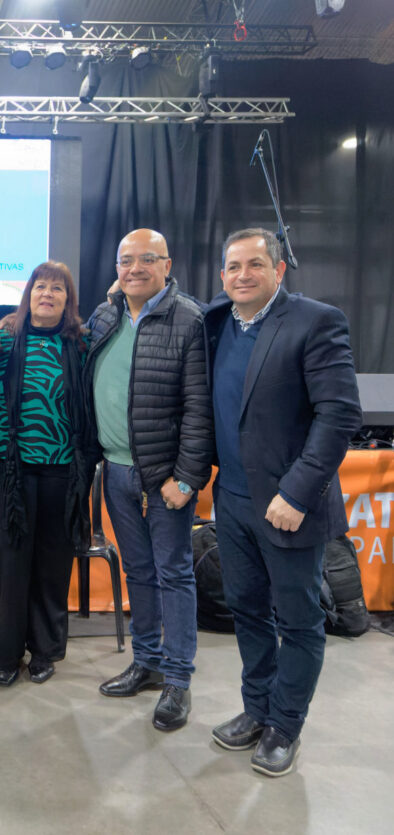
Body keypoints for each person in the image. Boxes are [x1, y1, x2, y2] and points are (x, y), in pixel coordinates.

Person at [205, 228, 361, 777]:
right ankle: (256, 709)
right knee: (246, 609)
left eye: (254, 264)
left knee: (296, 621)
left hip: (288, 507)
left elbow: (339, 416)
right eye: (232, 266)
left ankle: (285, 726)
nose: (242, 275)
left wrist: (296, 492)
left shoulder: (315, 321)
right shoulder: (217, 322)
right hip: (232, 501)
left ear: (278, 269)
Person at [84, 228, 212, 732]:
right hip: (114, 470)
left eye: (145, 260)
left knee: (174, 573)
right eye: (124, 261)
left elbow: (200, 409)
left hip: (165, 479)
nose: (134, 268)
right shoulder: (106, 315)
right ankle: (148, 662)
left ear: (167, 264)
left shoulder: (189, 318)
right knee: (138, 571)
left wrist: (187, 477)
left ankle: (178, 680)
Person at [0, 262, 92, 687]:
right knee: (9, 560)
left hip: (63, 469)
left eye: (58, 288)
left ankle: (45, 651)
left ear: (68, 300)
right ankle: (6, 653)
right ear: (28, 294)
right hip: (10, 468)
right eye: (40, 286)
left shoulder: (81, 344)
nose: (48, 293)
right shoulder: (4, 339)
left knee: (52, 563)